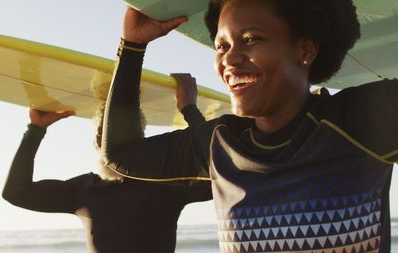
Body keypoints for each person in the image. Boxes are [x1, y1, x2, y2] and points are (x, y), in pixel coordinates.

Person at [101, 0, 397, 252]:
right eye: (221, 46)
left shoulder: (363, 118)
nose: (229, 58)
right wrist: (133, 46)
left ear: (304, 49)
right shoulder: (222, 144)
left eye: (251, 39)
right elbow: (120, 156)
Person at [2, 74, 212, 253]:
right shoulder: (83, 190)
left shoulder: (165, 183)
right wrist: (36, 130)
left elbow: (221, 175)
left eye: (126, 134)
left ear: (141, 139)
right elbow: (16, 192)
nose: (114, 142)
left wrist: (190, 109)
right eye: (105, 135)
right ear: (97, 140)